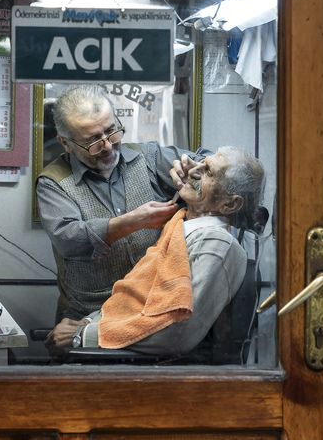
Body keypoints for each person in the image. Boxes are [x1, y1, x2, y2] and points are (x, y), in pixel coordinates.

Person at [45, 146, 266, 358]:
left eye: (208, 171)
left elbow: (177, 334)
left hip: (140, 367)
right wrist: (86, 323)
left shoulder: (217, 244)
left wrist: (83, 336)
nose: (193, 170)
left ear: (230, 204)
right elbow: (133, 305)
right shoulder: (178, 228)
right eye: (200, 164)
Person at [36, 85, 207, 322]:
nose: (107, 146)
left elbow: (210, 163)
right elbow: (69, 238)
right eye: (93, 140)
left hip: (153, 308)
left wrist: (196, 168)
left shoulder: (149, 157)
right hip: (89, 315)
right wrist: (132, 222)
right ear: (66, 144)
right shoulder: (53, 182)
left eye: (111, 131)